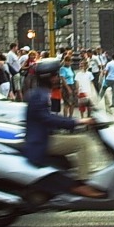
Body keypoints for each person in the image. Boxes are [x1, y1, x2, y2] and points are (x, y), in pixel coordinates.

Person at [23, 58, 102, 198]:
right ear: (47, 77)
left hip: (45, 136)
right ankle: (82, 184)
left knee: (76, 143)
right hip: (41, 142)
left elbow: (52, 117)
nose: (58, 78)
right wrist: (77, 121)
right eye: (55, 75)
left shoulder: (42, 92)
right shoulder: (39, 95)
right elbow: (48, 118)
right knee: (82, 142)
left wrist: (84, 105)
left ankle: (78, 176)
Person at [59, 52, 78, 117]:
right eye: (67, 61)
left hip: (72, 85)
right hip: (66, 86)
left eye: (69, 61)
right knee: (67, 103)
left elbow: (73, 77)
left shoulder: (70, 68)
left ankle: (70, 116)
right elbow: (63, 79)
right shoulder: (62, 69)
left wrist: (75, 88)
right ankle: (65, 117)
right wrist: (68, 88)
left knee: (72, 103)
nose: (68, 63)